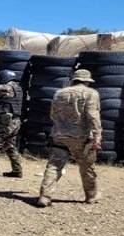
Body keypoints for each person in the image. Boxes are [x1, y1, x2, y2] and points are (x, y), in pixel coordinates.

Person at [37, 68, 102, 207]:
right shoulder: (91, 93)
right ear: (87, 82)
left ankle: (44, 196)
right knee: (87, 167)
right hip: (82, 137)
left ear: (74, 80)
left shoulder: (59, 93)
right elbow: (93, 116)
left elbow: (53, 115)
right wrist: (97, 136)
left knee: (54, 166)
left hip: (59, 135)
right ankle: (91, 196)